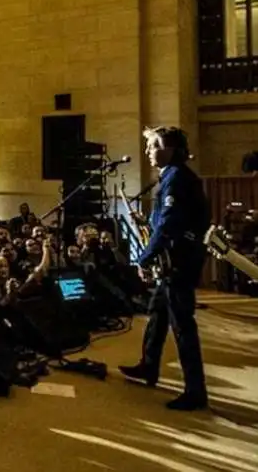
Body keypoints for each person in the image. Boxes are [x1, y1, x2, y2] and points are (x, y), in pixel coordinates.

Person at [119, 126, 210, 411]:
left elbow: (171, 225)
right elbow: (169, 221)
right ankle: (148, 366)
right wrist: (148, 223)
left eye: (151, 146)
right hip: (176, 259)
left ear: (169, 149)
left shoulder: (176, 179)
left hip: (178, 263)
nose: (147, 152)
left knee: (182, 326)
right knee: (157, 313)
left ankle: (196, 392)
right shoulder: (175, 177)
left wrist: (144, 257)